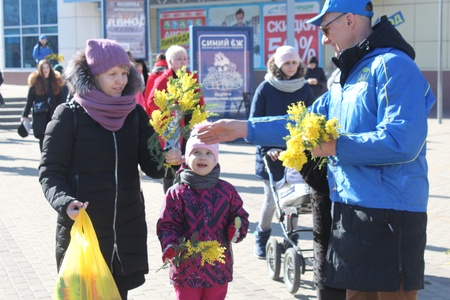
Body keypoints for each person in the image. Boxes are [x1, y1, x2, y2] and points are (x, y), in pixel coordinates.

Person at [197, 0, 436, 299]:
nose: (323, 38)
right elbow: (303, 121)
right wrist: (245, 128)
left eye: (325, 28)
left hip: (391, 214)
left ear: (350, 20)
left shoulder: (393, 66)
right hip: (350, 208)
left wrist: (335, 146)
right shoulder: (345, 78)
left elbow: (403, 141)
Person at [38, 38, 183, 300]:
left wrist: (169, 162)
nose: (121, 81)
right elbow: (50, 171)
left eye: (125, 73)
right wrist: (65, 201)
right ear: (94, 76)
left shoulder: (134, 113)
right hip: (85, 230)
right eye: (112, 74)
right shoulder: (69, 115)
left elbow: (151, 164)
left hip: (125, 229)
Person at [156, 123, 249, 300]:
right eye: (196, 152)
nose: (202, 158)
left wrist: (236, 228)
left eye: (208, 153)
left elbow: (239, 215)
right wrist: (170, 244)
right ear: (186, 157)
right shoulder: (177, 192)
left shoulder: (226, 190)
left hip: (217, 269)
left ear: (216, 159)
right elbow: (168, 224)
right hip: (186, 269)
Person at [250, 45, 315, 259]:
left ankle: (291, 239)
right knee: (271, 200)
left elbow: (311, 121)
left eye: (294, 62)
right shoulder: (265, 88)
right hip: (270, 156)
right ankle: (262, 236)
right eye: (287, 62)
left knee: (294, 201)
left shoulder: (304, 88)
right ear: (278, 64)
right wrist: (269, 148)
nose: (291, 66)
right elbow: (254, 123)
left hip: (296, 156)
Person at [147, 45, 204, 193]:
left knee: (189, 160)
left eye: (185, 58)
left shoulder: (192, 76)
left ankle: (186, 195)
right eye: (179, 59)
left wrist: (201, 118)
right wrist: (172, 106)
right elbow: (151, 102)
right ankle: (169, 197)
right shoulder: (163, 79)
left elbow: (200, 101)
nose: (183, 62)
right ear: (170, 62)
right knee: (171, 164)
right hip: (171, 128)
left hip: (190, 126)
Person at [21, 59, 65, 151]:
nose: (45, 69)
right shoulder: (36, 83)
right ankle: (44, 160)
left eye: (47, 67)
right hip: (40, 115)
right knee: (42, 139)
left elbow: (61, 101)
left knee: (53, 138)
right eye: (43, 68)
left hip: (53, 115)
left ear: (50, 68)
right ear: (40, 69)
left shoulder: (55, 82)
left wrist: (64, 114)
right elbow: (29, 101)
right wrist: (25, 115)